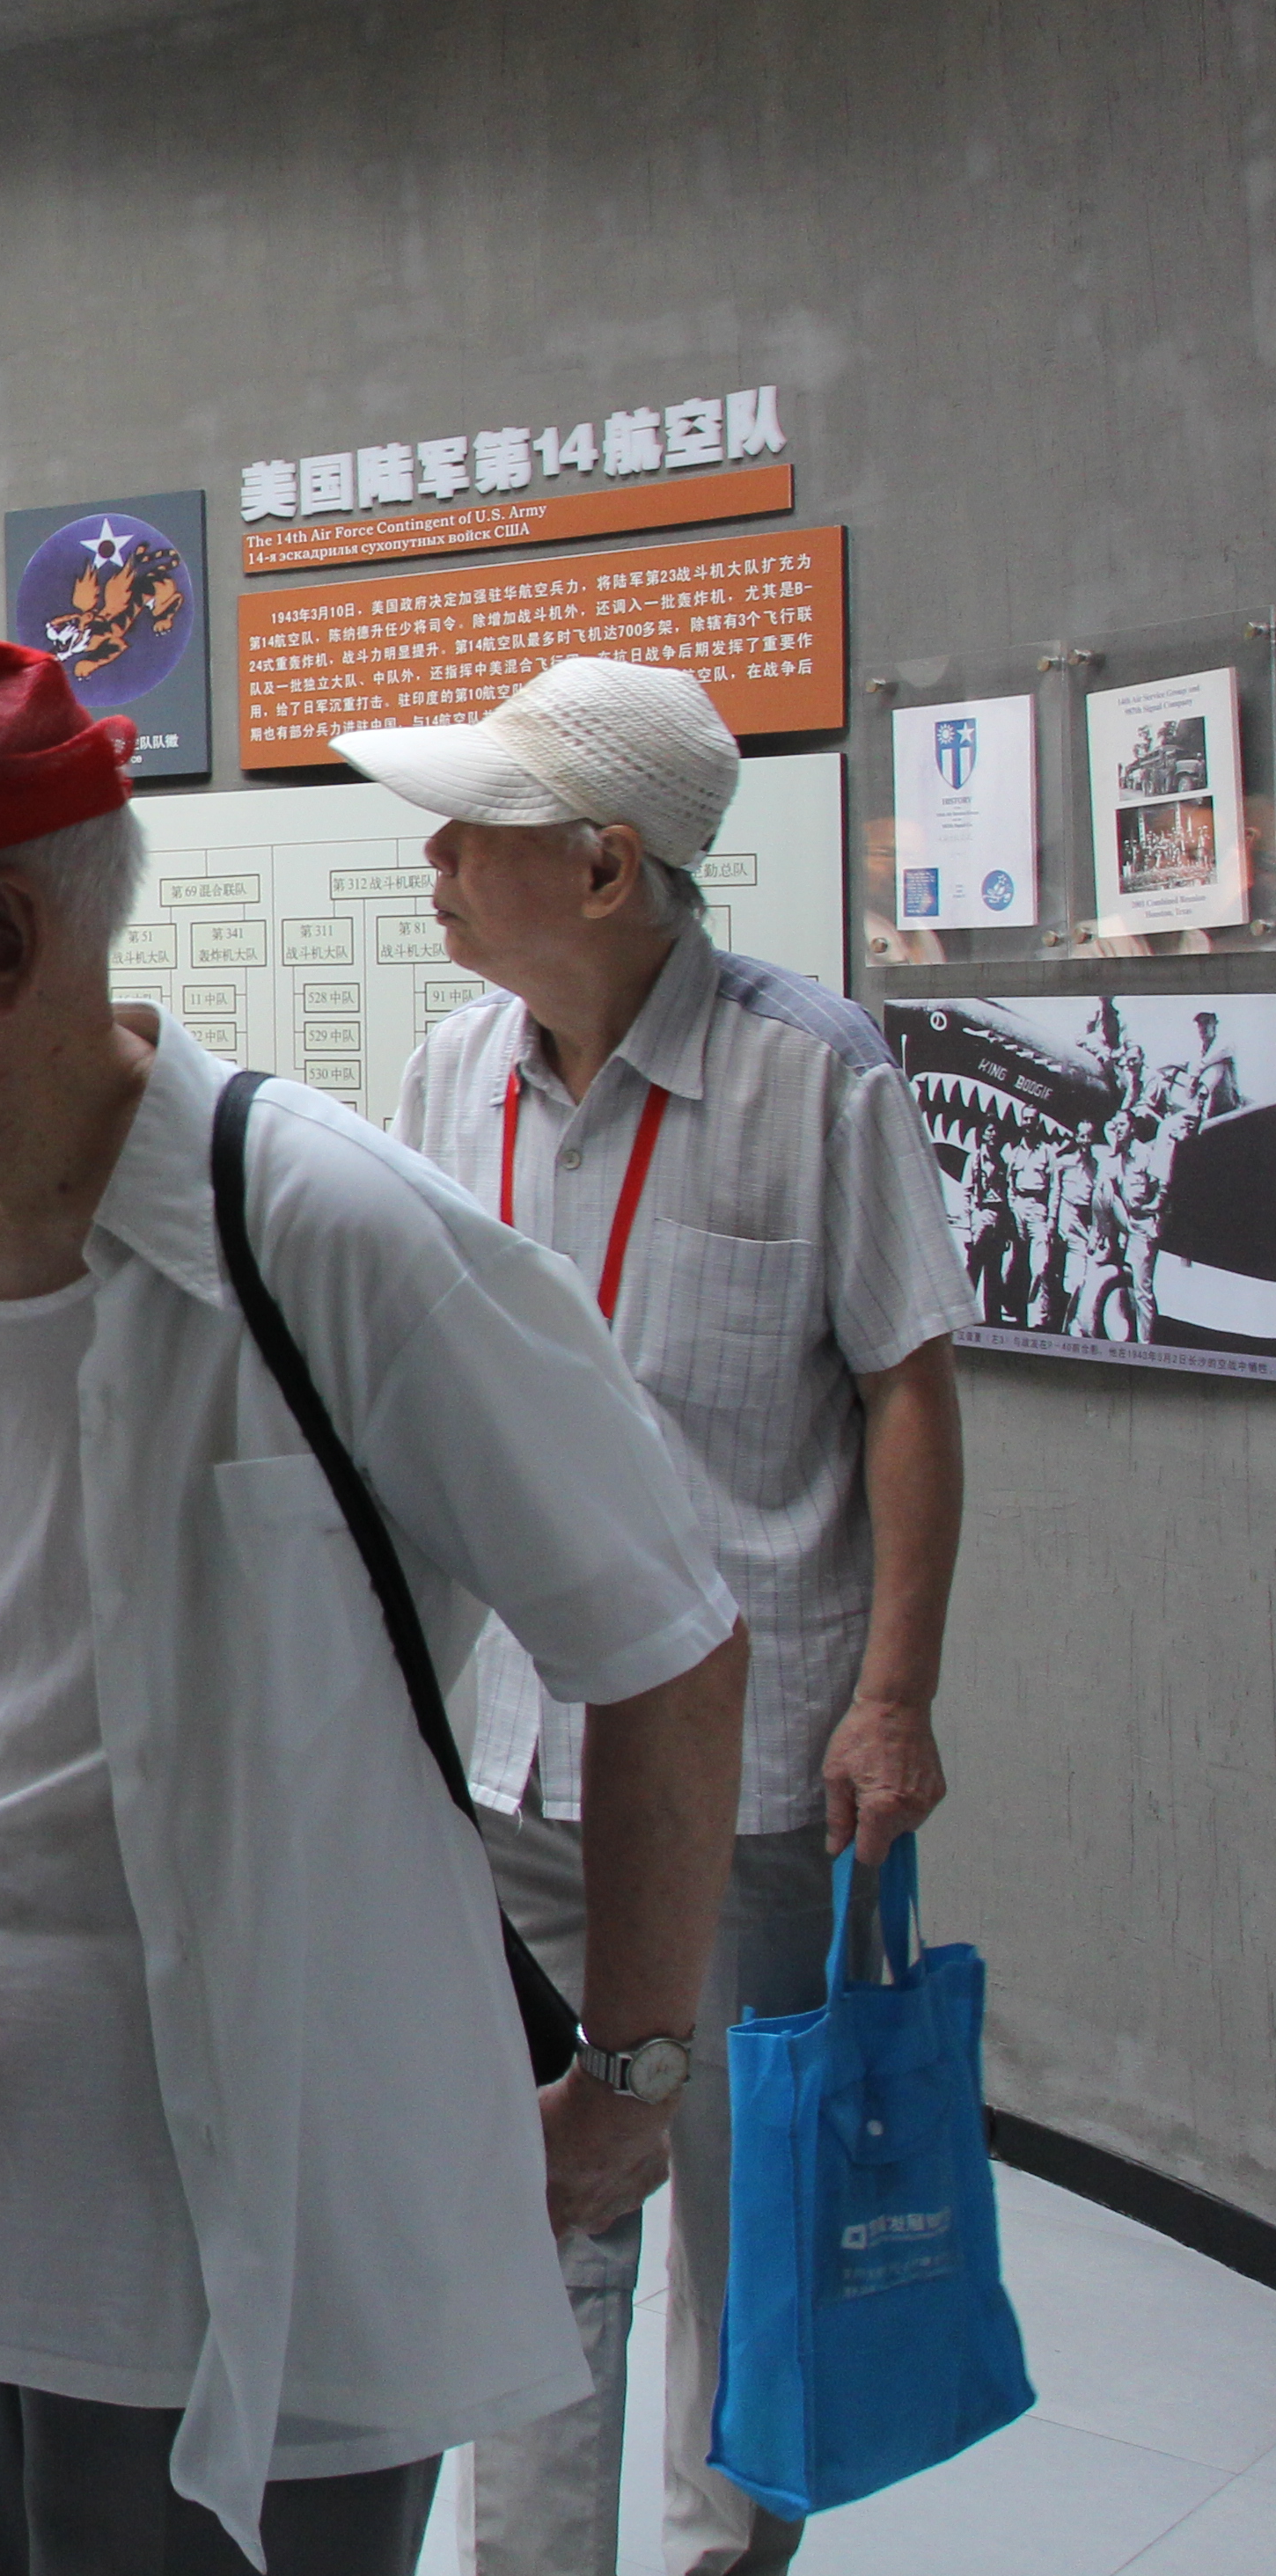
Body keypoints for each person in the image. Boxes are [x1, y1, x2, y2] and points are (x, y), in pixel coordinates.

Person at [0, 627, 752, 2576]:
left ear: (6, 944)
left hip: (259, 2267)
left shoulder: (330, 1239)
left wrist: (627, 2083)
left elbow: (668, 1642)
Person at [344, 655, 971, 2576]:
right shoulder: (453, 1075)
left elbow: (907, 1391)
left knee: (731, 2201)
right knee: (537, 2198)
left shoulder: (814, 1077)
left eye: (480, 831)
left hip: (750, 1772)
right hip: (511, 1761)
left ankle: (719, 2561)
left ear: (609, 871)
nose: (435, 861)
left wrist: (893, 1699)